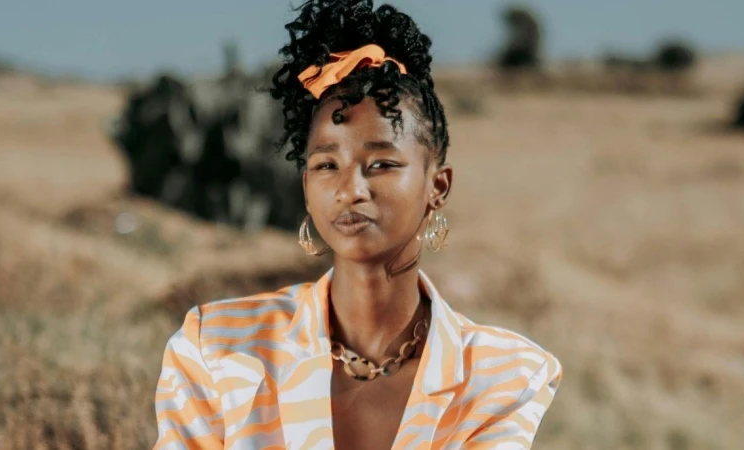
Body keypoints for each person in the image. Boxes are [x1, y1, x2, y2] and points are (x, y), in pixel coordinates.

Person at [152, 1, 562, 448]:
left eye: (382, 163)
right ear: (306, 188)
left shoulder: (506, 374)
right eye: (327, 165)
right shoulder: (215, 347)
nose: (351, 189)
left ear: (437, 186)